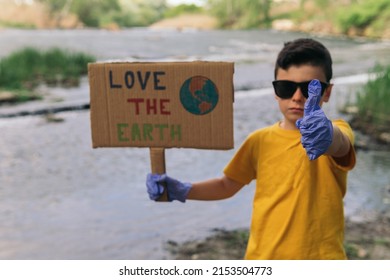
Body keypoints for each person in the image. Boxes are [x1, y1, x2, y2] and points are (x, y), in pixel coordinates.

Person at [146, 38, 356, 260]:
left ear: (327, 92)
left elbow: (340, 144)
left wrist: (326, 136)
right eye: (286, 87)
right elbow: (227, 185)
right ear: (275, 90)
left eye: (309, 89)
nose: (297, 97)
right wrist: (183, 190)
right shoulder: (259, 140)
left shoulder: (337, 130)